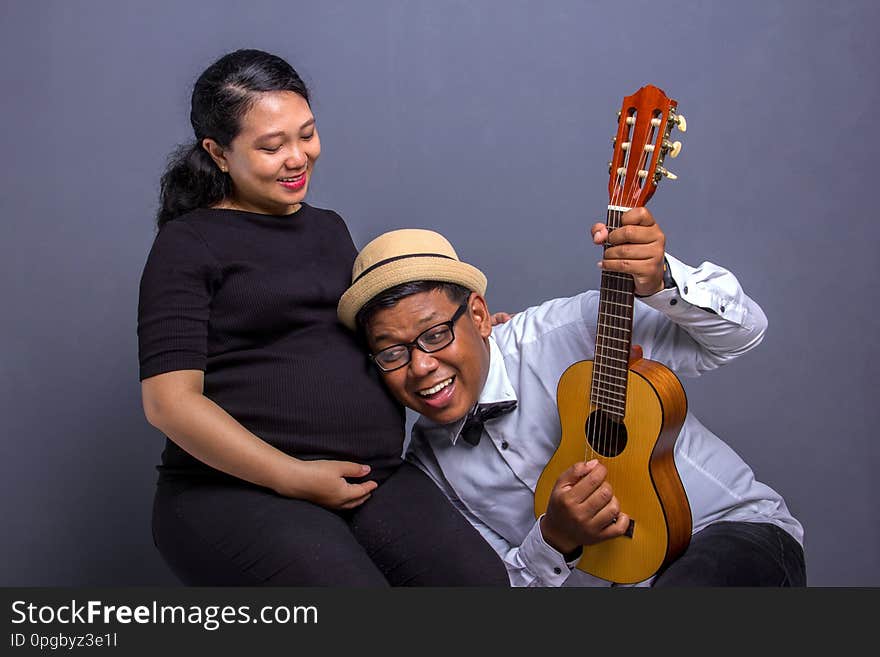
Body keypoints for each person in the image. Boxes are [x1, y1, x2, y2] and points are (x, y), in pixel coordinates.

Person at [137, 49, 509, 586]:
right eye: (272, 146)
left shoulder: (329, 229)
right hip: (235, 490)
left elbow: (377, 335)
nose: (298, 157)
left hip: (368, 479)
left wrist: (467, 327)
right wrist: (291, 476)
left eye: (306, 134)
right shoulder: (187, 244)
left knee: (482, 588)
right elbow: (169, 404)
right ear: (217, 153)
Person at [338, 213, 806, 586]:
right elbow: (506, 586)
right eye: (393, 352)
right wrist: (554, 539)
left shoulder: (569, 332)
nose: (421, 367)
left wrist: (662, 279)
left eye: (437, 334)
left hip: (729, 533)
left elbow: (742, 334)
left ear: (479, 315)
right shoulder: (430, 470)